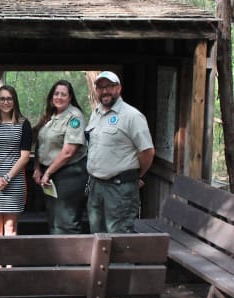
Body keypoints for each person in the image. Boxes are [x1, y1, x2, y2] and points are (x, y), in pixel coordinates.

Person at [85, 71, 155, 233]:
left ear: (119, 88)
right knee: (97, 237)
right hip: (96, 186)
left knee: (119, 240)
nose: (104, 91)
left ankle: (122, 261)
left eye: (109, 86)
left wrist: (136, 176)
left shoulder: (132, 116)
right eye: (100, 87)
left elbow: (147, 151)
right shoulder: (96, 114)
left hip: (120, 188)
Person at [33, 80, 88, 234]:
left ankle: (71, 258)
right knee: (54, 219)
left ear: (70, 97)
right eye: (56, 93)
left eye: (63, 94)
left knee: (66, 222)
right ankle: (57, 257)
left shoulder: (74, 117)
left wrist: (48, 172)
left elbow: (69, 151)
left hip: (69, 175)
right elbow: (40, 144)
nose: (59, 97)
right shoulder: (49, 116)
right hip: (49, 175)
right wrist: (37, 168)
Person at [0, 85, 32, 237]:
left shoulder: (23, 124)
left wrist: (7, 178)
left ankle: (9, 262)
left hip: (14, 182)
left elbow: (25, 157)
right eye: (2, 99)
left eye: (9, 98)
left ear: (14, 101)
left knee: (10, 229)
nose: (6, 102)